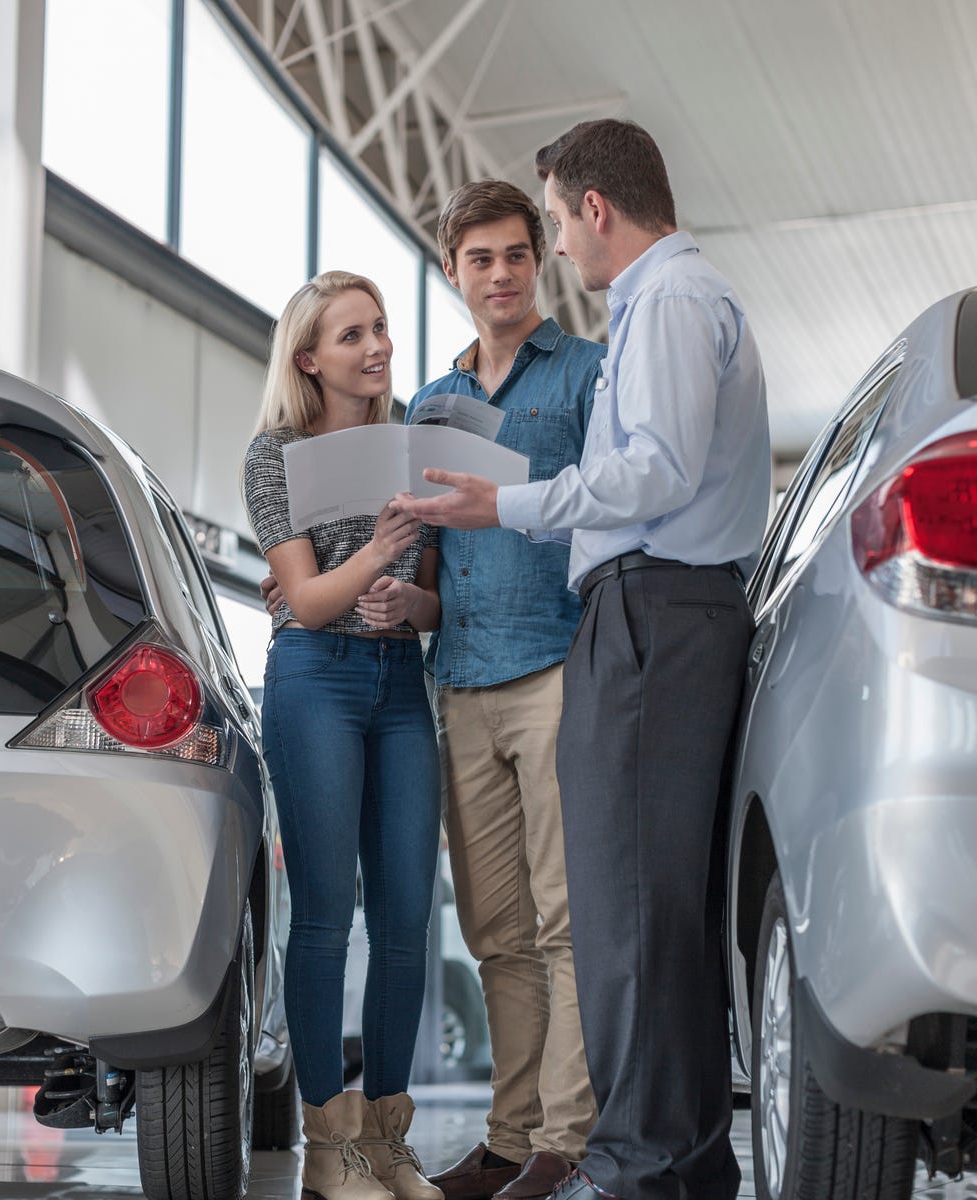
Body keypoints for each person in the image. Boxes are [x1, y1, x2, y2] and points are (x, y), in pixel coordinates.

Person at [394, 121, 771, 1200]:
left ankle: (638, 1166)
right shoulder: (669, 303)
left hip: (651, 614)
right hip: (638, 616)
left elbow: (650, 473)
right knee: (633, 913)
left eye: (551, 226)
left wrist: (500, 502)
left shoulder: (665, 306)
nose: (552, 249)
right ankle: (670, 1164)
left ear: (594, 210)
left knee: (625, 917)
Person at [409, 180, 603, 1200]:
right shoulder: (428, 406)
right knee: (495, 932)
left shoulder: (586, 376)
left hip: (558, 668)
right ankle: (508, 1135)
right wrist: (408, 604)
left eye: (516, 254)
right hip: (463, 681)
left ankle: (565, 1143)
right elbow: (438, 566)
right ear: (453, 272)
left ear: (541, 259)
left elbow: (618, 512)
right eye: (479, 259)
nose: (500, 274)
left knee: (565, 917)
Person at [242, 270, 444, 1200]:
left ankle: (388, 1138)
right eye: (353, 334)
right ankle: (329, 1145)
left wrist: (416, 596)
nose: (376, 347)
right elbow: (309, 601)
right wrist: (375, 547)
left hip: (401, 680)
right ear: (309, 357)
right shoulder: (273, 456)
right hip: (315, 681)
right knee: (326, 917)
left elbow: (435, 594)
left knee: (406, 916)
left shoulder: (415, 445)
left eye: (382, 328)